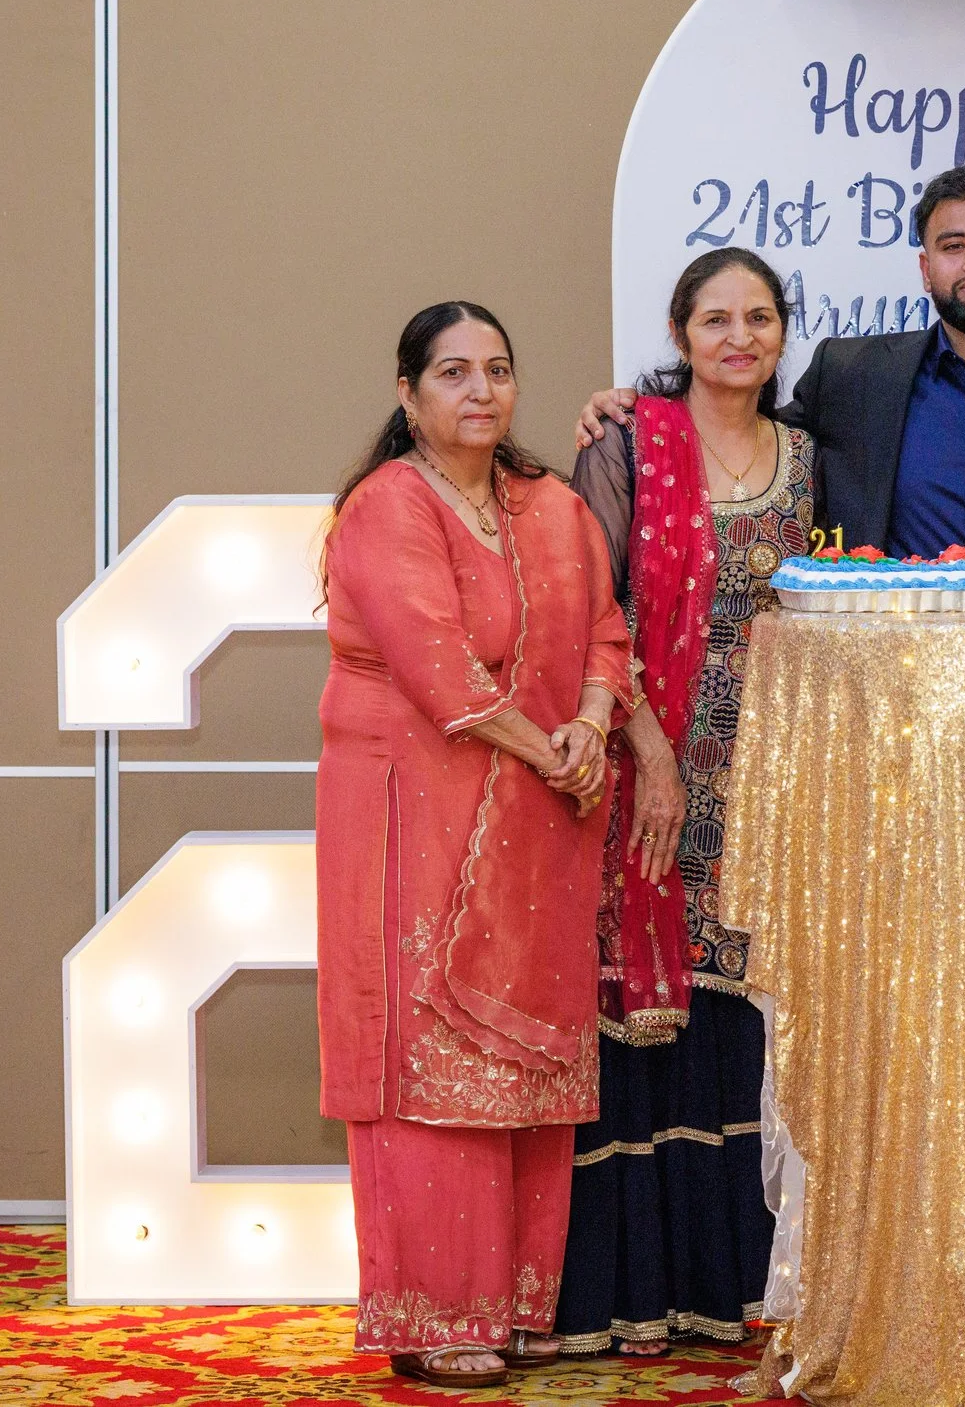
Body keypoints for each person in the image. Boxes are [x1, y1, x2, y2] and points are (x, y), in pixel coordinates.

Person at [316, 301, 633, 1390]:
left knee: (525, 1061)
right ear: (408, 394)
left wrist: (591, 727)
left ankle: (512, 1302)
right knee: (429, 1062)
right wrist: (555, 747)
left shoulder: (546, 506)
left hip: (539, 819)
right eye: (452, 372)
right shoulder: (384, 507)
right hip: (413, 813)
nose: (481, 391)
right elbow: (440, 668)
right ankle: (435, 1309)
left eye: (497, 369)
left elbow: (603, 631)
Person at [552, 247, 811, 1355]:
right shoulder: (628, 446)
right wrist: (646, 744)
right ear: (679, 331)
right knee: (642, 1021)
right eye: (715, 318)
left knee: (741, 1008)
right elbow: (585, 608)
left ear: (782, 335)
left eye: (758, 318)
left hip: (772, 777)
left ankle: (734, 1281)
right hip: (644, 766)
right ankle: (633, 1288)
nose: (738, 337)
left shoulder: (809, 456)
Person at [577, 164, 965, 579]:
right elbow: (741, 430)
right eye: (953, 246)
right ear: (925, 269)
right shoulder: (850, 375)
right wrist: (642, 412)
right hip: (884, 684)